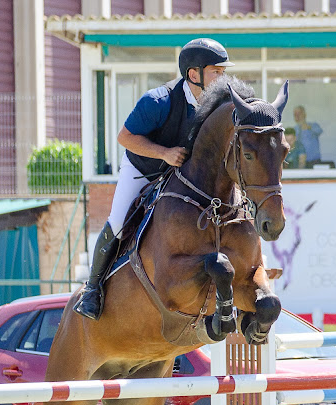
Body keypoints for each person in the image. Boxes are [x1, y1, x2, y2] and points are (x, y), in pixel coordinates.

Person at [73, 38, 235, 320]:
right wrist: (165, 153)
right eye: (216, 72)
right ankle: (93, 288)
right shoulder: (157, 101)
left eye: (223, 72)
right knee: (119, 222)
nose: (223, 78)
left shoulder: (218, 104)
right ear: (193, 75)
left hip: (180, 175)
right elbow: (124, 138)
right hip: (143, 170)